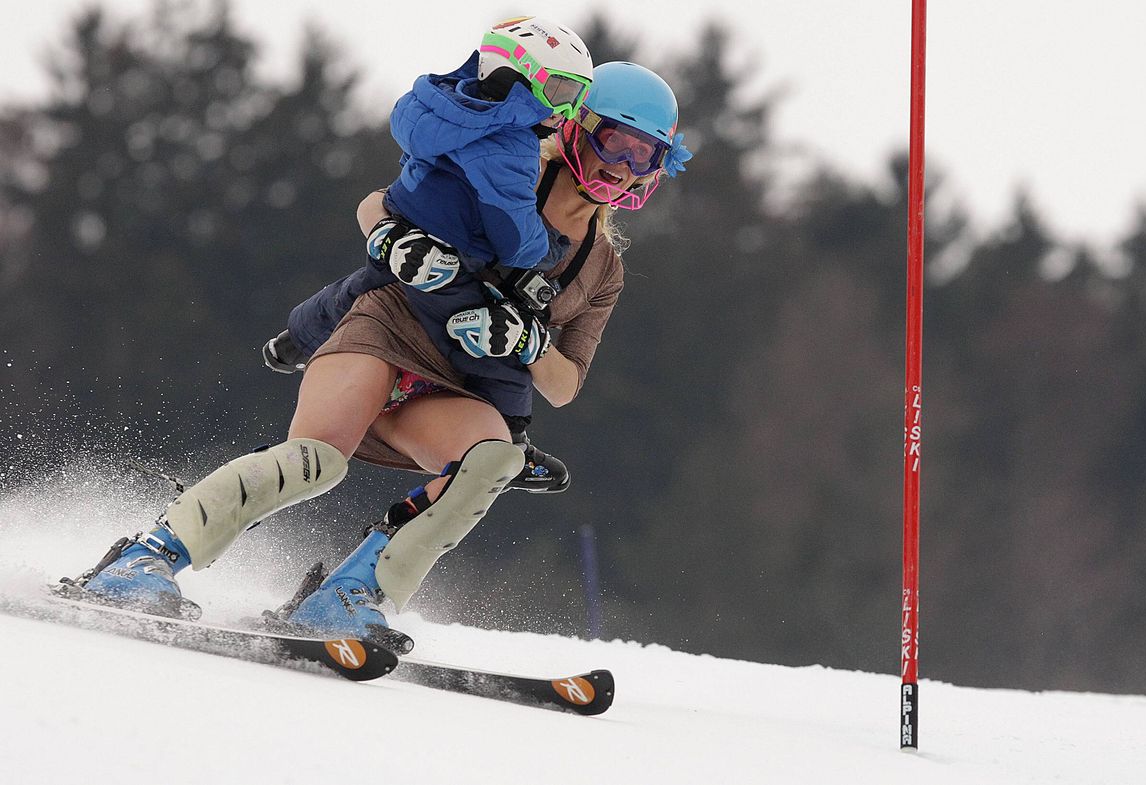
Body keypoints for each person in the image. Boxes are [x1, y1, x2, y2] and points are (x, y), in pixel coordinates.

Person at [65, 60, 692, 651]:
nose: (625, 167)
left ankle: (347, 594)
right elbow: (381, 204)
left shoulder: (601, 267)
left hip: (453, 381)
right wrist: (391, 240)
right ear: (576, 127)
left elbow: (564, 383)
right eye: (615, 142)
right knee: (315, 462)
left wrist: (527, 343)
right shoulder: (504, 163)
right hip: (389, 326)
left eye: (647, 155)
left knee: (490, 461)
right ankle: (146, 556)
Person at [265, 16, 594, 491]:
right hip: (454, 257)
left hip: (406, 217)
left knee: (363, 289)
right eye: (563, 93)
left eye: (578, 100)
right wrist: (547, 249)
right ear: (520, 77)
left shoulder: (441, 99)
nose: (567, 112)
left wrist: (390, 229)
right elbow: (512, 232)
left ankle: (295, 338)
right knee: (498, 353)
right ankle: (515, 442)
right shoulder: (511, 143)